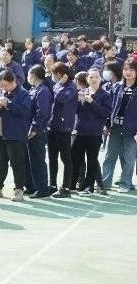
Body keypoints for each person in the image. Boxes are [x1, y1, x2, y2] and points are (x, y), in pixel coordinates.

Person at [0, 70, 34, 201]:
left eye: (5, 85)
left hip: (15, 134)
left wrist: (8, 104)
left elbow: (25, 112)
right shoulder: (1, 91)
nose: (3, 88)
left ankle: (19, 190)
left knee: (17, 163)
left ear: (13, 81)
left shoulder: (23, 93)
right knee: (0, 161)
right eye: (1, 85)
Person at [73, 70, 111, 194]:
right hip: (80, 131)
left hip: (95, 133)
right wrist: (78, 101)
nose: (93, 79)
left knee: (92, 160)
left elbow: (106, 113)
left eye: (96, 77)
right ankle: (72, 184)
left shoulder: (105, 95)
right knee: (75, 158)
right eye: (91, 77)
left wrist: (92, 102)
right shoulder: (82, 92)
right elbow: (75, 111)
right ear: (87, 79)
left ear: (101, 79)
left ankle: (89, 187)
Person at [102, 60, 137, 193]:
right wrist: (107, 124)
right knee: (109, 156)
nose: (128, 72)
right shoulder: (117, 86)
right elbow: (109, 107)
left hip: (132, 129)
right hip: (115, 126)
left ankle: (125, 183)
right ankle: (105, 183)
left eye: (132, 70)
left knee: (128, 158)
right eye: (126, 69)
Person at [47, 63, 79, 197]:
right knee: (52, 157)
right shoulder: (57, 85)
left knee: (66, 158)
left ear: (61, 74)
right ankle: (52, 184)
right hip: (52, 125)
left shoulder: (71, 87)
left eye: (54, 73)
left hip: (64, 127)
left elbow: (62, 98)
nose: (53, 76)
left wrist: (60, 84)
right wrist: (58, 85)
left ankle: (66, 187)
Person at [26, 65, 55, 198]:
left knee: (38, 160)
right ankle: (34, 186)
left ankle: (42, 189)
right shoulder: (35, 89)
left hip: (38, 131)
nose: (27, 77)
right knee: (33, 159)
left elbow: (42, 112)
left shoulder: (43, 91)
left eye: (29, 74)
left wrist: (34, 128)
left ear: (34, 75)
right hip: (33, 129)